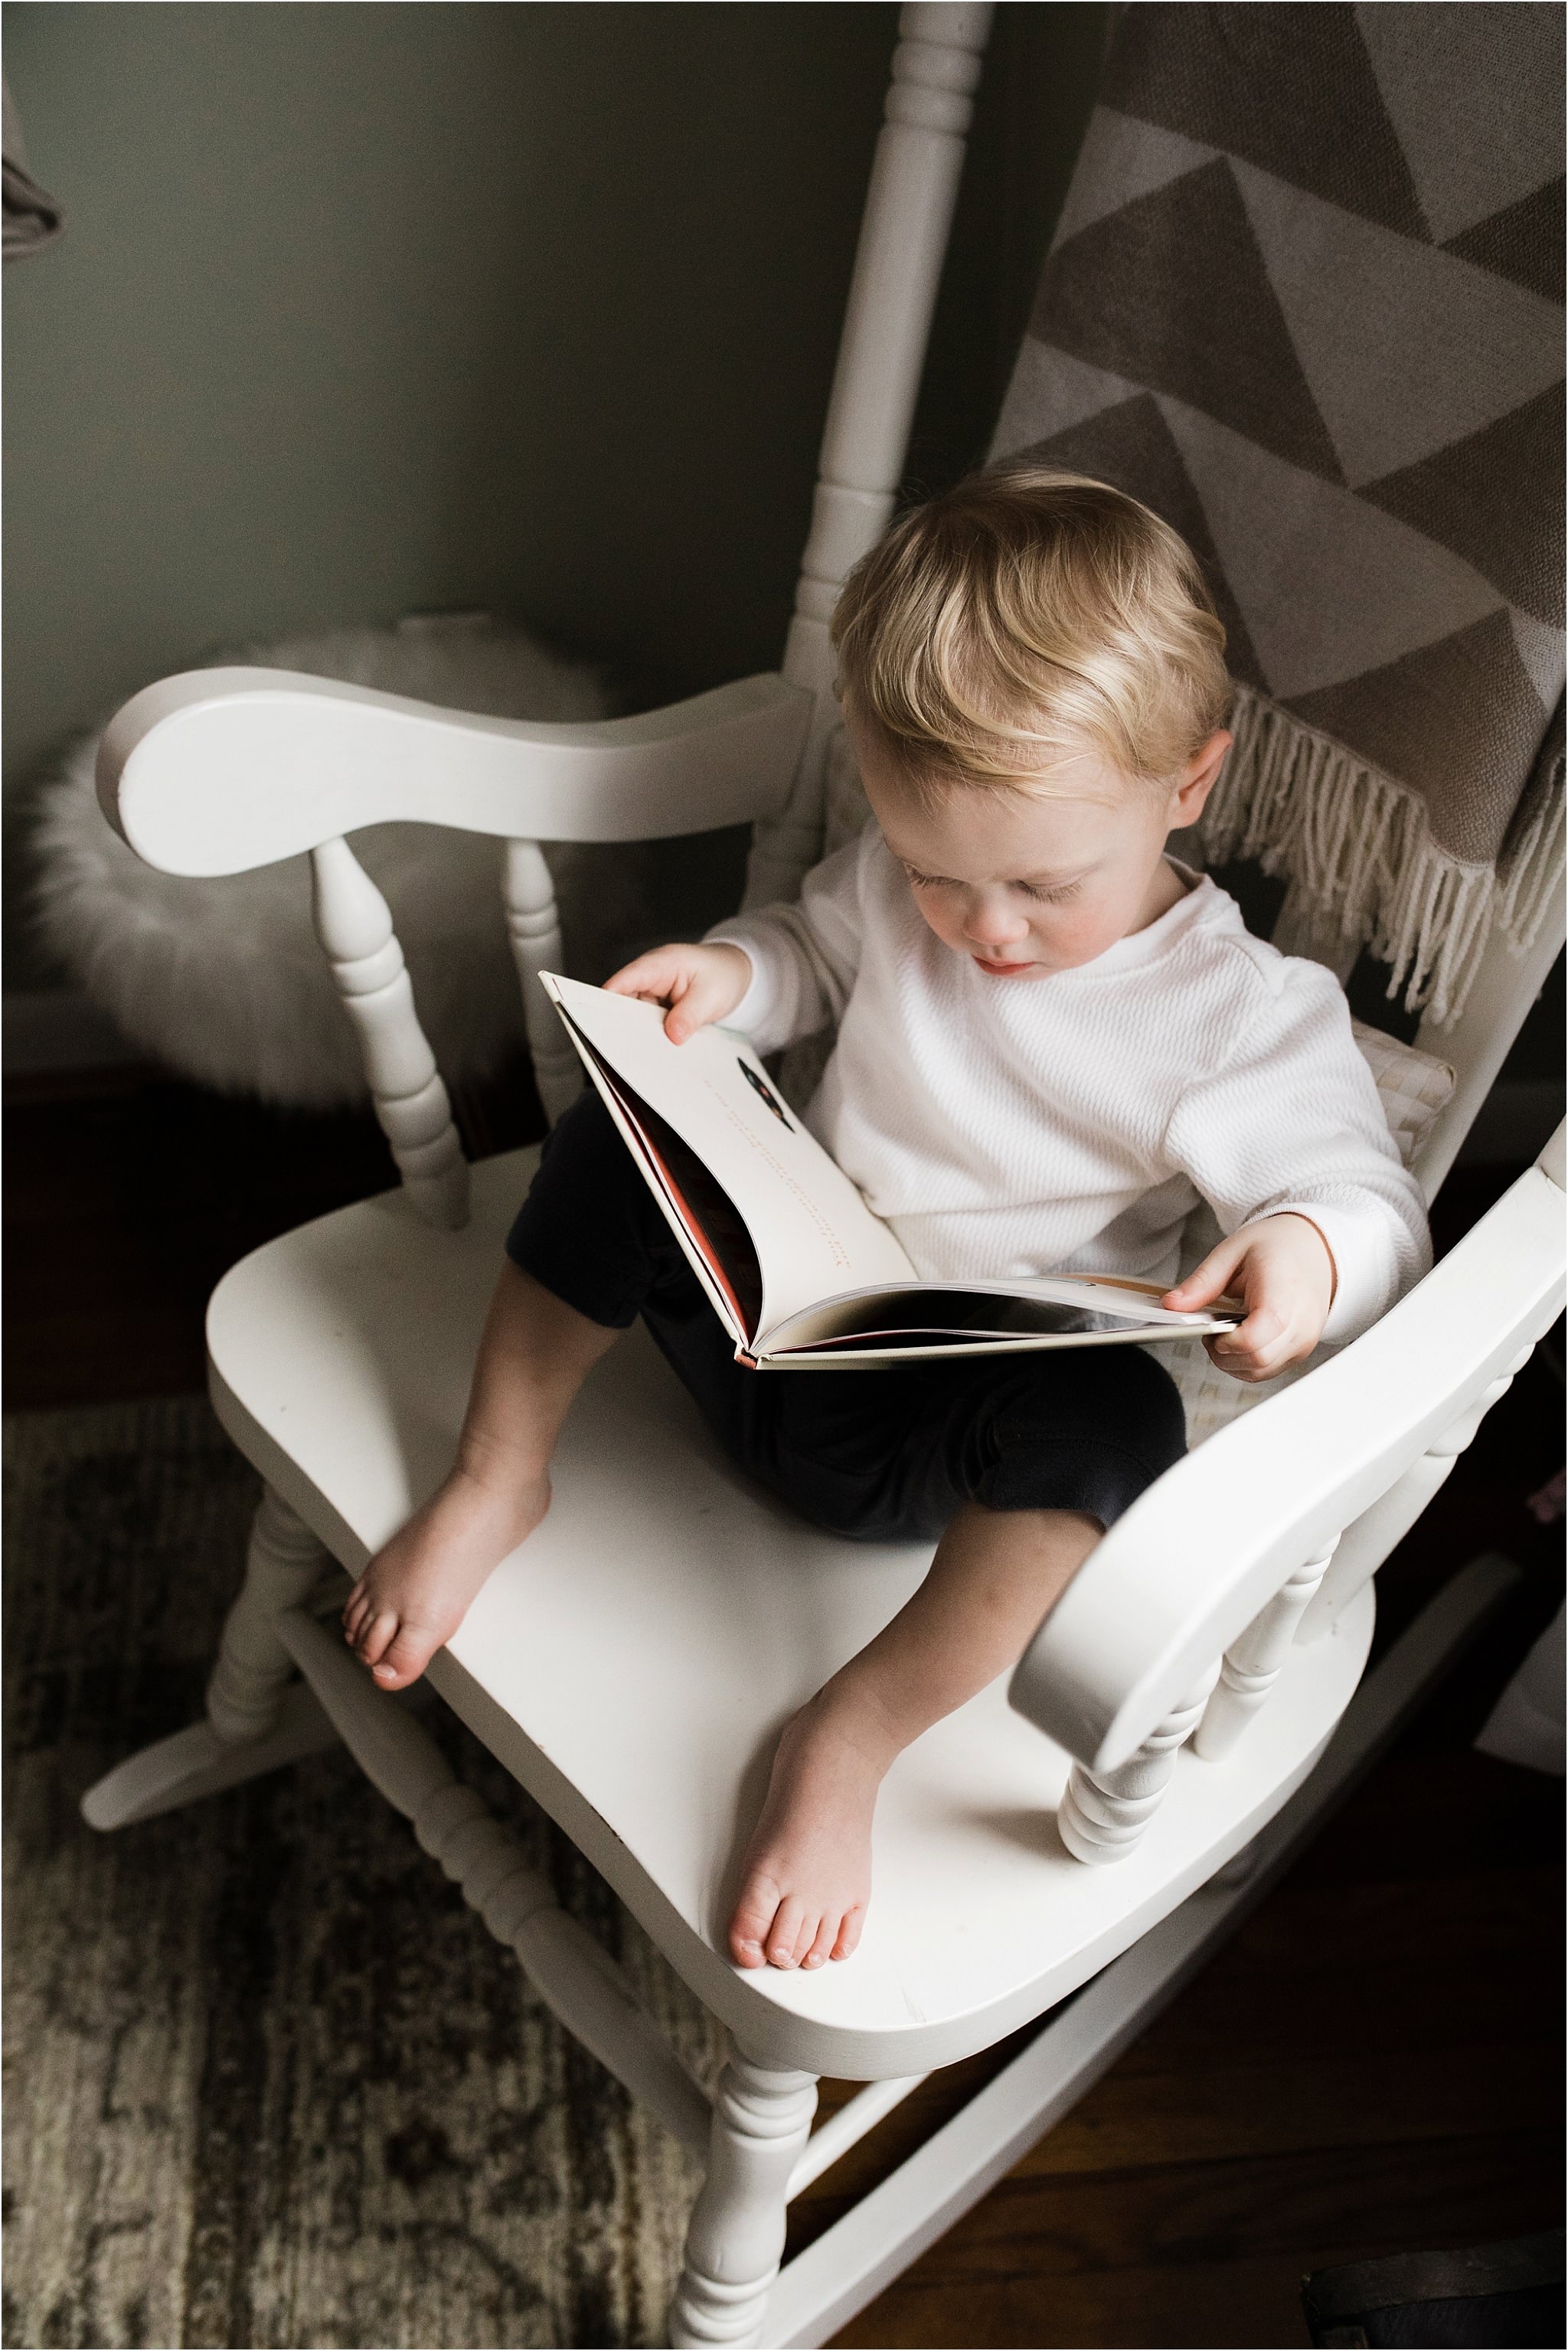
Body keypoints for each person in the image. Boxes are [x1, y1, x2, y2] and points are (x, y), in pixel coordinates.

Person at [341, 466, 1429, 1973]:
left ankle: (851, 1728)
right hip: (758, 1327)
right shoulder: (919, 877)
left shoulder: (1235, 1017)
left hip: (940, 1427)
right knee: (618, 1140)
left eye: (1042, 885)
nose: (983, 931)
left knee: (1114, 1418)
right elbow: (818, 948)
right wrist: (734, 980)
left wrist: (1307, 1249)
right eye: (935, 874)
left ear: (1186, 781)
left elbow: (1366, 1195)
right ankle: (496, 1474)